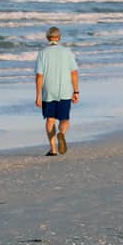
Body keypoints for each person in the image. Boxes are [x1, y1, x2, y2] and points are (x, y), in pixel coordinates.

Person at [34, 27, 79, 156]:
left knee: (50, 120)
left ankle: (53, 149)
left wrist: (38, 96)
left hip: (48, 91)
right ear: (59, 38)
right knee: (64, 119)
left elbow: (39, 76)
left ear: (48, 38)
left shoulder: (42, 53)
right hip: (65, 90)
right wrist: (76, 91)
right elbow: (74, 72)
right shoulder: (67, 51)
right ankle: (62, 133)